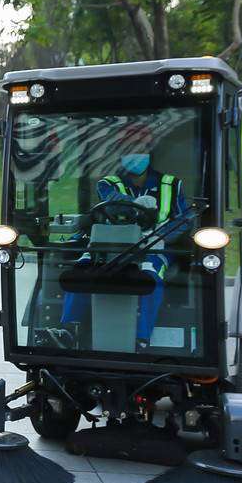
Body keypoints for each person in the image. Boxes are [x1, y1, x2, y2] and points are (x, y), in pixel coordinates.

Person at [59, 122, 189, 350]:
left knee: (151, 277)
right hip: (108, 243)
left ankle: (141, 339)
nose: (134, 155)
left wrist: (162, 237)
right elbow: (115, 202)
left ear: (149, 152)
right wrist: (137, 205)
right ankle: (68, 330)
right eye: (129, 149)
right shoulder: (108, 183)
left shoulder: (171, 184)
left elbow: (185, 219)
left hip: (153, 246)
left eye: (139, 149)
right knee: (80, 272)